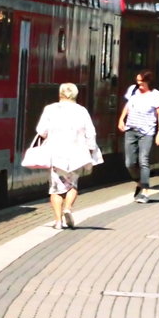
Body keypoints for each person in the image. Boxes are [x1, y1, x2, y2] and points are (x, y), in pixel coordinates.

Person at [34, 82, 99, 229]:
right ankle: (68, 208)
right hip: (76, 154)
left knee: (56, 188)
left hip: (56, 155)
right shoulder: (82, 111)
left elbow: (41, 131)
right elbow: (91, 132)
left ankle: (58, 221)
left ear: (60, 94)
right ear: (76, 94)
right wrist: (91, 149)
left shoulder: (50, 109)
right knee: (72, 185)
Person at [117, 70, 159, 203]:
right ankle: (139, 182)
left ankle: (145, 191)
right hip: (131, 130)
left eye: (141, 82)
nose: (139, 84)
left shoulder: (156, 95)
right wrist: (121, 119)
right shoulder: (133, 90)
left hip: (147, 132)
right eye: (137, 81)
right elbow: (127, 106)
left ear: (149, 82)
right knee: (129, 163)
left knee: (143, 160)